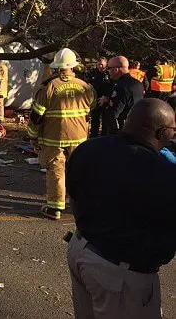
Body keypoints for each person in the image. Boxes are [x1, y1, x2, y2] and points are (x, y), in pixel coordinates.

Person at [66, 98, 176, 319]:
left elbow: (74, 194)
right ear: (162, 132)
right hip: (121, 276)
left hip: (82, 250)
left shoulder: (89, 149)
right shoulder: (163, 172)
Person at [27, 48, 95, 220]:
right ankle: (81, 206)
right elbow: (91, 108)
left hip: (53, 137)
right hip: (79, 137)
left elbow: (36, 116)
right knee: (78, 170)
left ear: (57, 67)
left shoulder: (49, 86)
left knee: (56, 171)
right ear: (73, 66)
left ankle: (55, 208)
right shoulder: (85, 86)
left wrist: (32, 135)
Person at [101, 56, 144, 135]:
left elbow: (114, 113)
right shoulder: (138, 83)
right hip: (136, 126)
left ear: (116, 69)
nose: (108, 71)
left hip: (123, 130)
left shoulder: (121, 86)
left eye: (109, 68)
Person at [86, 57, 111, 137]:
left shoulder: (109, 74)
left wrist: (107, 97)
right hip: (95, 99)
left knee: (105, 120)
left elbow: (112, 87)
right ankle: (93, 137)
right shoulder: (93, 73)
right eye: (99, 64)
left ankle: (104, 137)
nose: (100, 66)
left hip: (105, 99)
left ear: (106, 65)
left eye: (102, 65)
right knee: (95, 120)